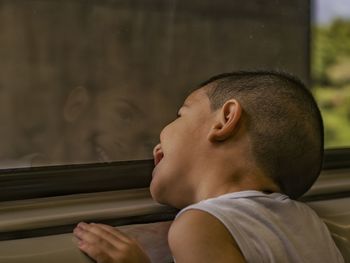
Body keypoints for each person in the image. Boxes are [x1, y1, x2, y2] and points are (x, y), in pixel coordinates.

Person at [73, 71, 344, 262]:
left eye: (181, 114)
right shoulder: (308, 222)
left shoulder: (201, 225)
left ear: (224, 120)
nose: (156, 146)